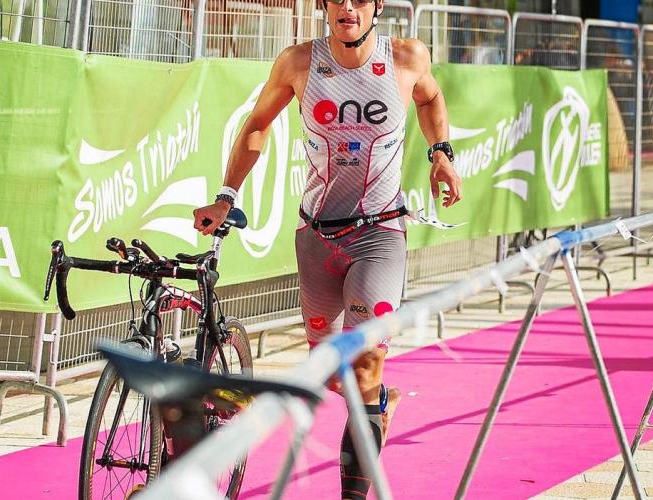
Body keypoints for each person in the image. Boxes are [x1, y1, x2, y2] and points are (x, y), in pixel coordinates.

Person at [193, 0, 462, 497]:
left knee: (362, 368)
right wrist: (226, 196)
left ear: (377, 6)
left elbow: (430, 99)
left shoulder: (406, 57)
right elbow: (257, 124)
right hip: (316, 236)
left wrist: (441, 152)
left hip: (380, 234)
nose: (347, 8)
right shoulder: (298, 62)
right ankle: (380, 405)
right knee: (335, 375)